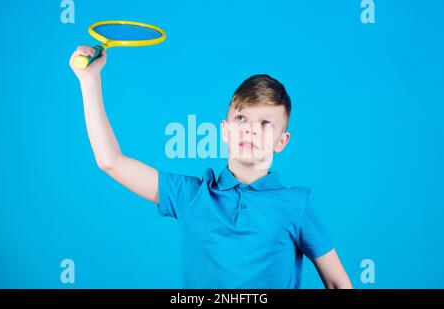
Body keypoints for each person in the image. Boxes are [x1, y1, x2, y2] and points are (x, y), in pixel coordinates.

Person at [69, 46, 352, 289]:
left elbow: (339, 284)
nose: (251, 130)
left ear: (282, 141)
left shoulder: (297, 204)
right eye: (242, 119)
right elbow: (111, 161)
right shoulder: (190, 195)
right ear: (225, 131)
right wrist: (89, 80)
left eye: (265, 123)